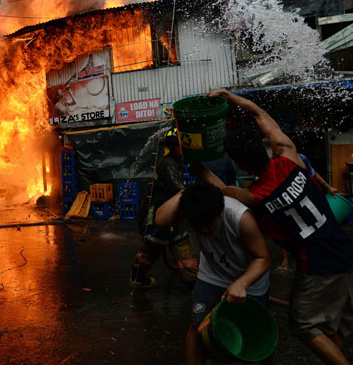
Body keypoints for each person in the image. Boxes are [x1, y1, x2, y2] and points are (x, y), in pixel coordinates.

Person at [203, 88, 353, 365]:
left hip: (318, 265)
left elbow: (219, 188)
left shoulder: (255, 196)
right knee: (333, 326)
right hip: (344, 248)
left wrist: (193, 158)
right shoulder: (288, 155)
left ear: (240, 164)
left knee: (304, 325)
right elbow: (259, 113)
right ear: (264, 146)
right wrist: (229, 95)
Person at [155, 181, 270, 365]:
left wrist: (242, 283)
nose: (203, 230)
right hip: (213, 274)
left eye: (209, 223)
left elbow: (263, 258)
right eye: (197, 225)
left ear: (220, 212)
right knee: (196, 327)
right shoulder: (195, 208)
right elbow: (160, 219)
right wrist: (190, 192)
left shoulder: (240, 217)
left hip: (250, 278)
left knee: (256, 337)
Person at [129, 128, 199, 290]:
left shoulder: (177, 162)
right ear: (173, 147)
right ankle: (137, 278)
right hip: (158, 214)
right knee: (152, 248)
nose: (184, 149)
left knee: (182, 244)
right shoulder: (167, 164)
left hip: (171, 212)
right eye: (181, 146)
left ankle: (192, 282)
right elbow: (179, 189)